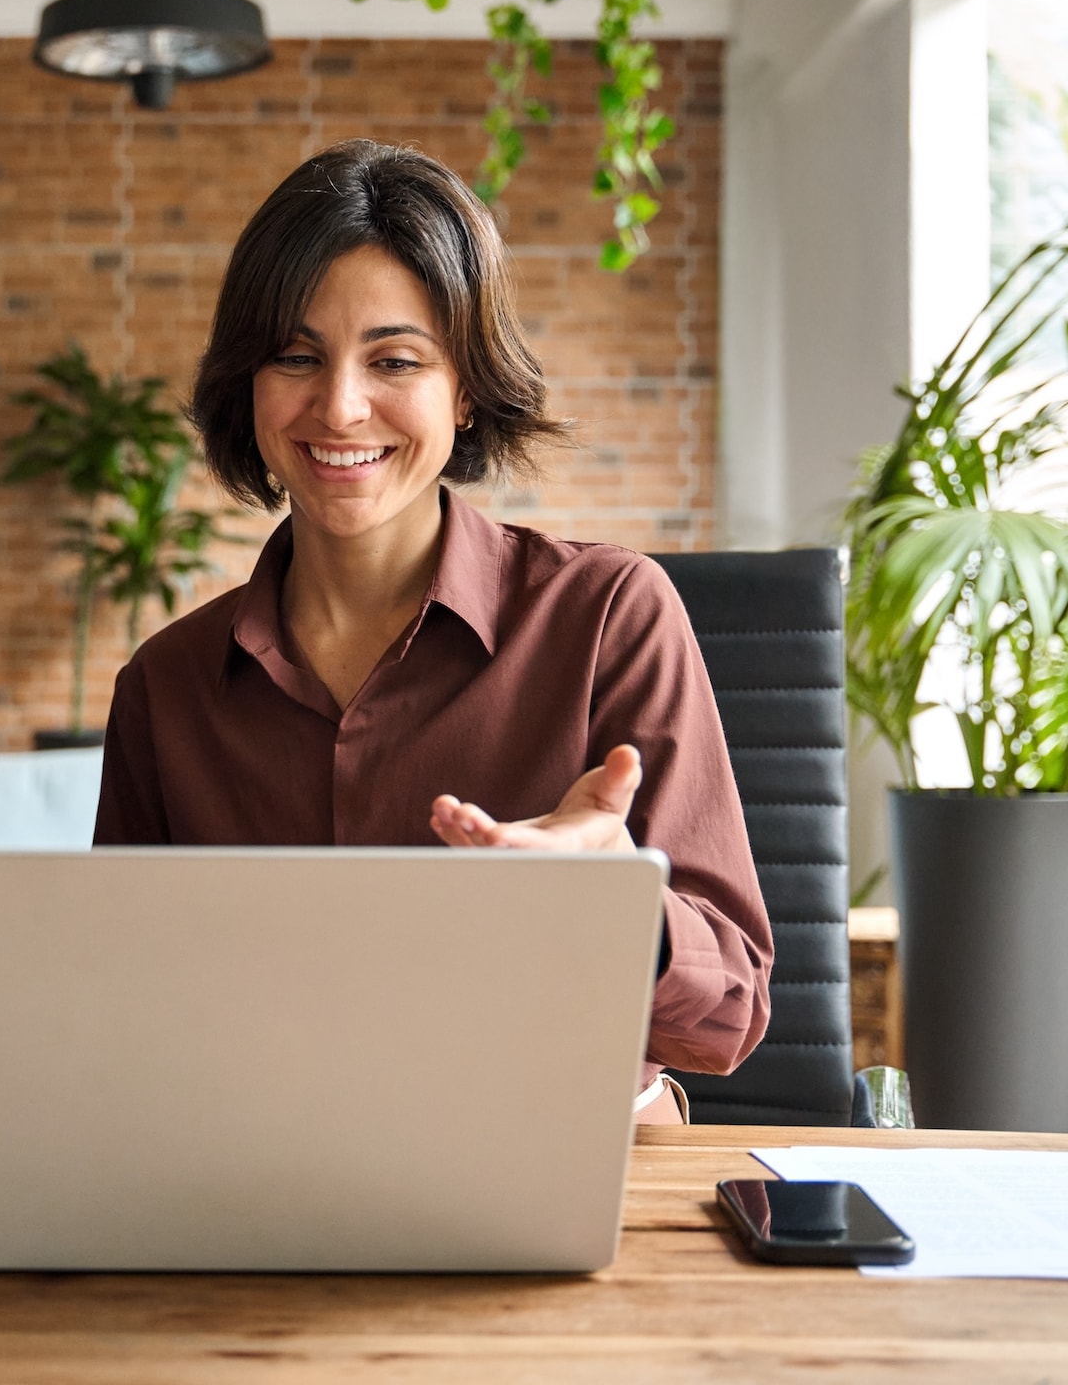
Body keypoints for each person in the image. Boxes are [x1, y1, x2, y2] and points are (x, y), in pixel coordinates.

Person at [93, 139, 771, 1123]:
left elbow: (726, 1019)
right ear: (247, 382)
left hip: (556, 1156)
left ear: (466, 388)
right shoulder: (166, 687)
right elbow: (121, 1012)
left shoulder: (608, 617)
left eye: (394, 359)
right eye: (294, 356)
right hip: (256, 1165)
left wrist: (615, 908)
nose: (337, 405)